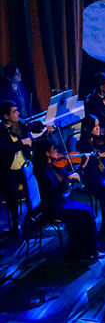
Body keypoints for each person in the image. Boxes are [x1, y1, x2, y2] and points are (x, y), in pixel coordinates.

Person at [31, 139, 100, 264]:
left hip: (58, 201)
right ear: (47, 153)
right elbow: (57, 189)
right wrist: (69, 179)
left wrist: (73, 173)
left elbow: (61, 180)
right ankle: (81, 252)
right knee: (84, 212)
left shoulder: (50, 165)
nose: (57, 152)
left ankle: (88, 250)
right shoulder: (43, 170)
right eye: (54, 150)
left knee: (86, 210)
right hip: (52, 207)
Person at [1, 101, 32, 238]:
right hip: (10, 170)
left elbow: (32, 130)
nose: (18, 114)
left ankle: (35, 215)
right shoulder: (1, 132)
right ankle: (15, 223)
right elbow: (5, 150)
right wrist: (21, 143)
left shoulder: (20, 125)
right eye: (14, 111)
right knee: (11, 191)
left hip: (24, 166)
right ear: (6, 116)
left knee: (36, 183)